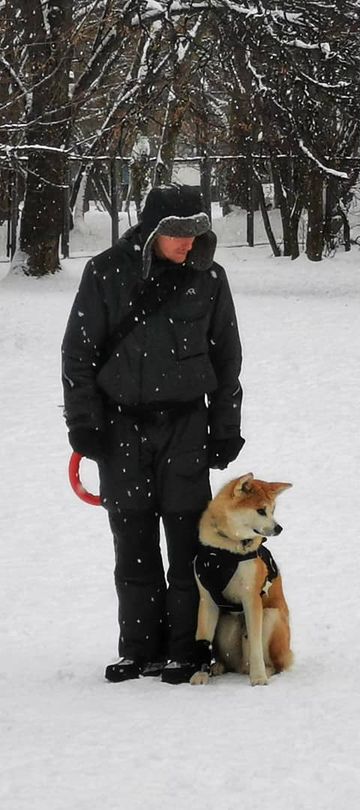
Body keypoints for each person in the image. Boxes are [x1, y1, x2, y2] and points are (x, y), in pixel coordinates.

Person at [61, 184, 245, 684]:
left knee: (187, 546)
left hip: (186, 427)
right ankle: (139, 648)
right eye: (178, 235)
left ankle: (185, 648)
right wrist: (84, 423)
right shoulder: (104, 273)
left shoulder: (210, 279)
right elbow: (78, 354)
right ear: (153, 231)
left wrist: (225, 428)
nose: (188, 244)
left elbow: (227, 358)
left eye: (195, 233)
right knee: (133, 542)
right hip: (121, 430)